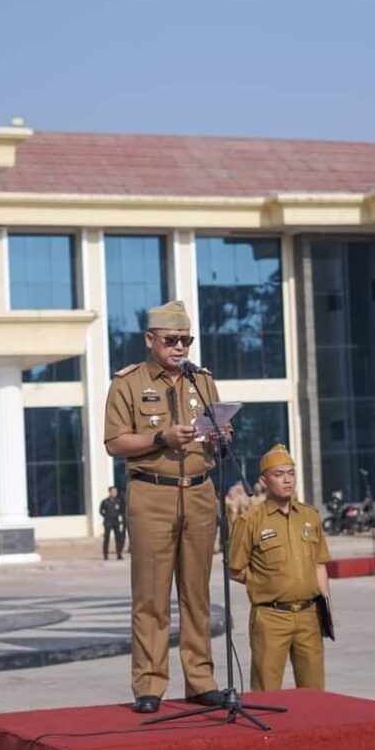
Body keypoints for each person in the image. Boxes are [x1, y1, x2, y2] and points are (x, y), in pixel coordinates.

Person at [104, 299, 223, 714]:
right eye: (171, 340)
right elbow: (115, 442)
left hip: (199, 491)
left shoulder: (202, 381)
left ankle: (201, 680)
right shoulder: (128, 383)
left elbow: (216, 434)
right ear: (150, 340)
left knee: (197, 593)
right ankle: (149, 684)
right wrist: (161, 439)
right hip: (151, 493)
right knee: (152, 596)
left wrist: (219, 434)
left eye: (186, 340)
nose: (180, 348)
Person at [229, 444, 331, 691]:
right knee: (266, 690)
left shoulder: (310, 516)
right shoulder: (251, 520)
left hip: (309, 615)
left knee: (315, 691)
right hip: (271, 617)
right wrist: (262, 582)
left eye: (291, 473)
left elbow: (319, 563)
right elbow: (234, 568)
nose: (287, 480)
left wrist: (326, 608)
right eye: (279, 475)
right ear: (264, 482)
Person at [99, 485, 125, 560]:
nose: (114, 493)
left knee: (118, 538)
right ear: (109, 492)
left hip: (116, 521)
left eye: (115, 491)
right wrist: (105, 516)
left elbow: (122, 510)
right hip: (108, 522)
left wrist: (120, 518)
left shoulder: (119, 501)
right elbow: (100, 511)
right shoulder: (105, 502)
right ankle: (105, 554)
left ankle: (119, 554)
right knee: (106, 538)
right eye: (113, 491)